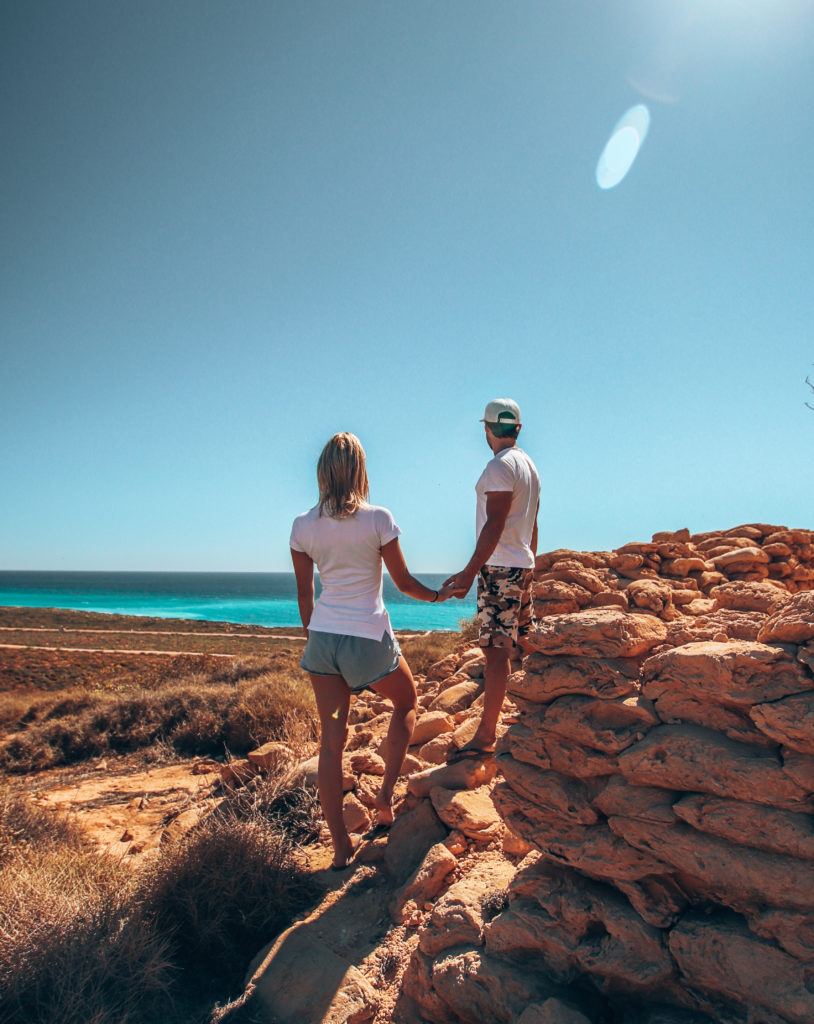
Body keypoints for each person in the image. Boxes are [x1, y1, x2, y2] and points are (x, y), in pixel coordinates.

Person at [290, 432, 455, 870]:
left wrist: (319, 644)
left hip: (323, 642)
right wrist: (440, 597)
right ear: (360, 470)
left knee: (331, 743)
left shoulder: (303, 525)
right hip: (367, 639)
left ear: (323, 472)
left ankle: (340, 848)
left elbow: (306, 598)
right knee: (406, 701)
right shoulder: (378, 518)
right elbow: (403, 584)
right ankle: (383, 798)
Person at [443, 398, 540, 761]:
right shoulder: (529, 465)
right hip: (521, 564)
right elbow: (532, 525)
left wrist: (469, 573)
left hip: (500, 568)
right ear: (518, 428)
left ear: (486, 429)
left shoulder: (498, 467)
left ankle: (485, 736)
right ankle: (542, 699)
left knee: (495, 652)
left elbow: (495, 523)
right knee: (526, 638)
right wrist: (531, 563)